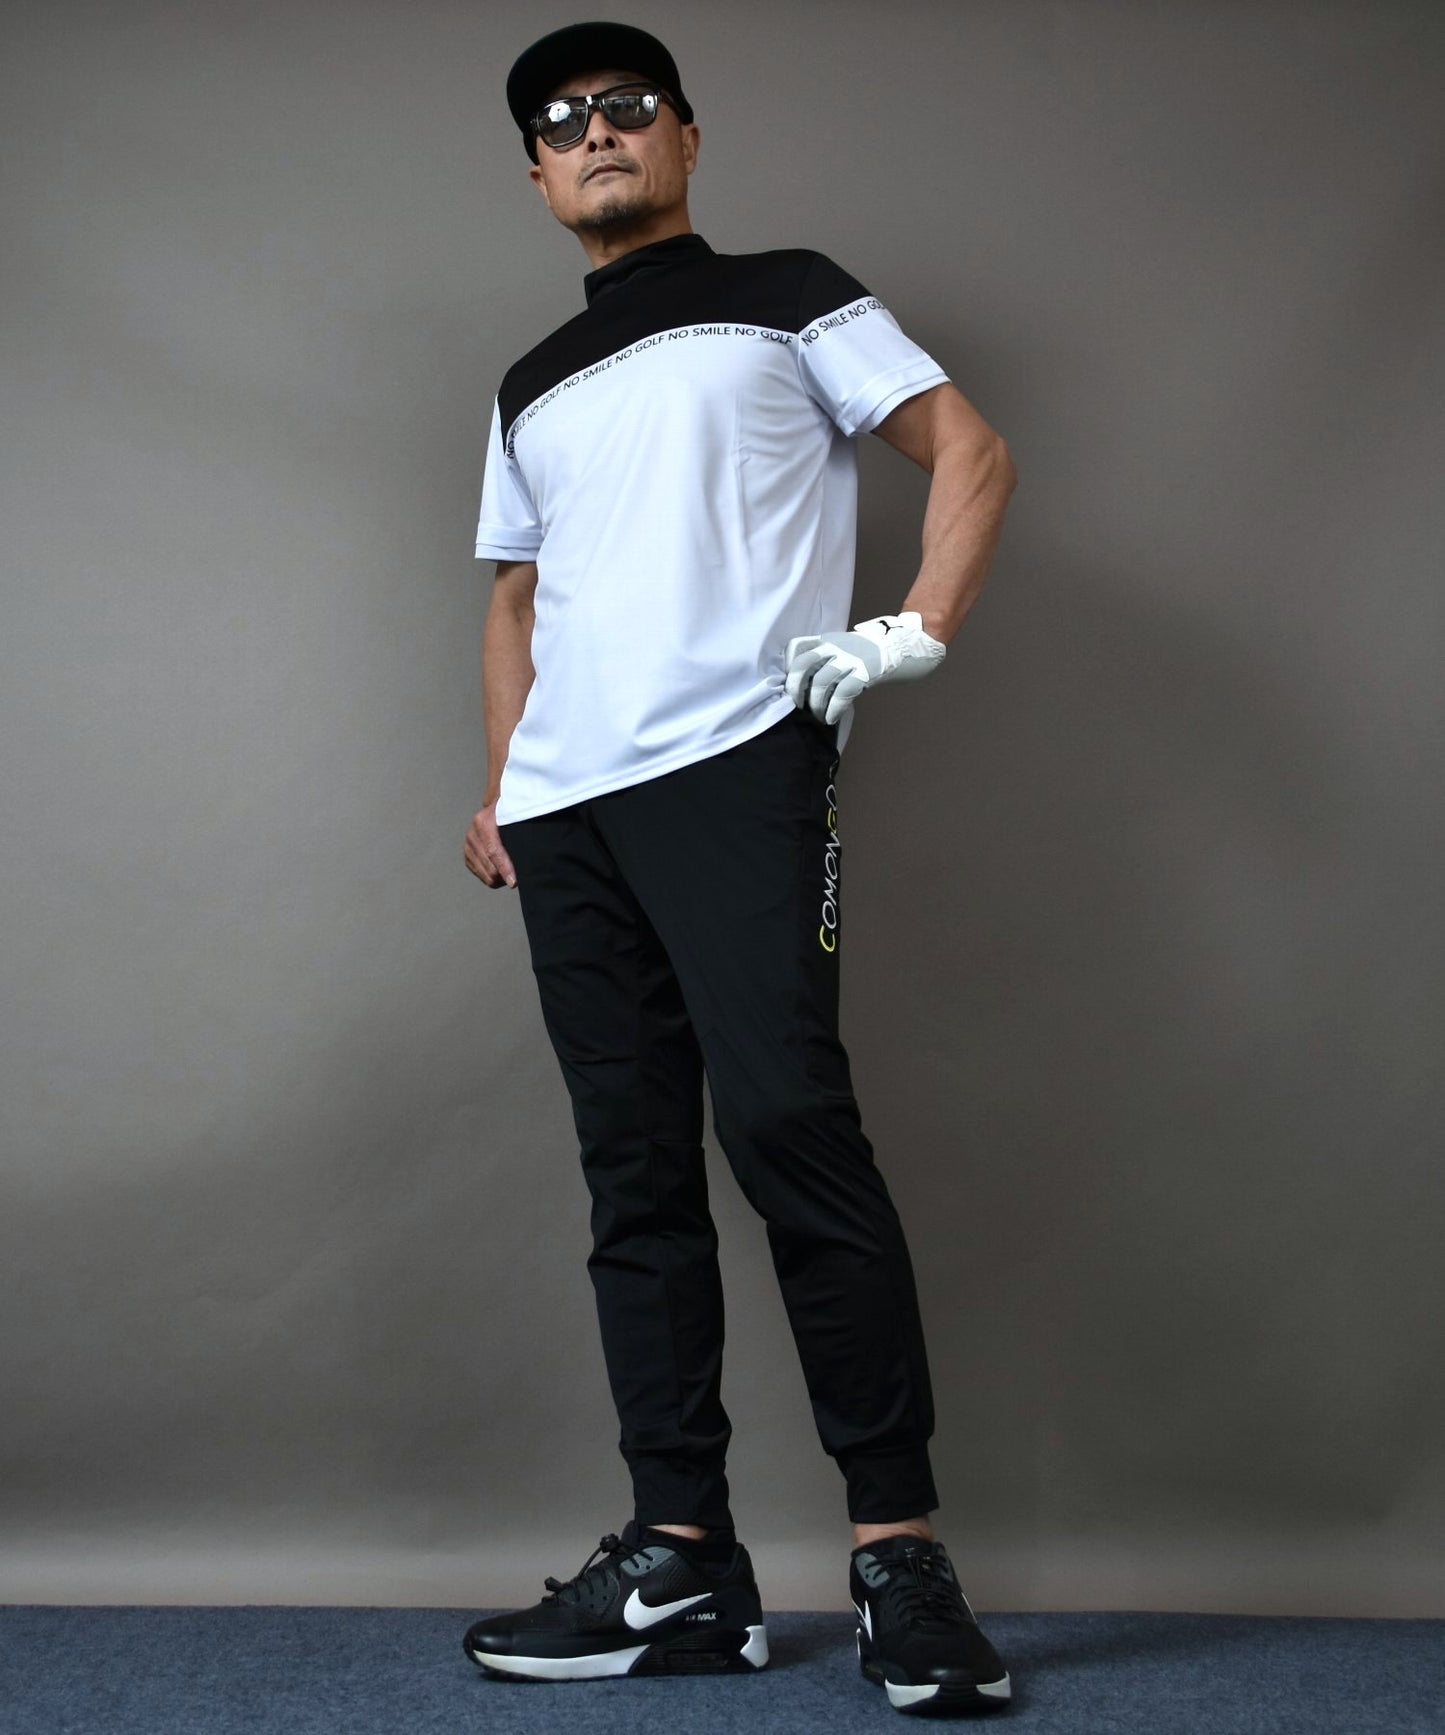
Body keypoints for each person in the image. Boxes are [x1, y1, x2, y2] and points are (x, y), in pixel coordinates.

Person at [460, 20, 1017, 1717]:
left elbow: (967, 447)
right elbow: (515, 595)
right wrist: (505, 784)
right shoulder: (529, 384)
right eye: (562, 120)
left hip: (734, 768)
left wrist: (916, 627)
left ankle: (897, 1557)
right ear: (536, 173)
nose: (596, 131)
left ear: (684, 136)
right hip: (570, 814)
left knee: (787, 1129)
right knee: (633, 1178)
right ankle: (681, 1563)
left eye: (626, 105)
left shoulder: (788, 294)